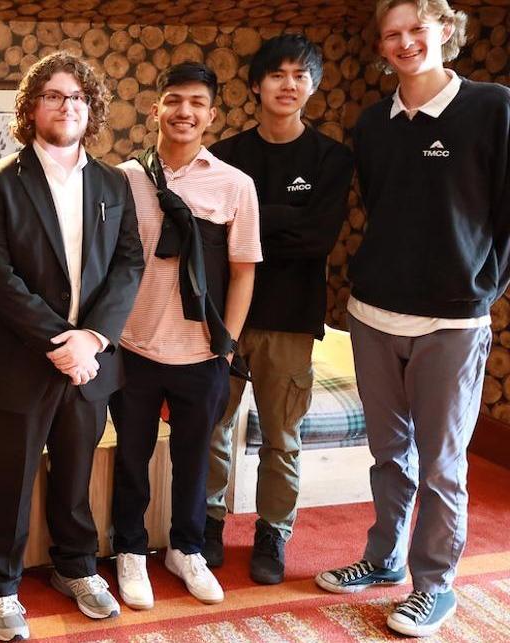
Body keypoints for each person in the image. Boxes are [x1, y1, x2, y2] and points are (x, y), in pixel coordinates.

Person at [315, 1, 510, 637]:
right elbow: (383, 207)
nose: (404, 43)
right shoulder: (373, 124)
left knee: (443, 465)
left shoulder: (492, 108)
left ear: (445, 31)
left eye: (416, 30)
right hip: (372, 315)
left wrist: (482, 284)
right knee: (387, 455)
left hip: (452, 324)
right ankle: (382, 558)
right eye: (392, 34)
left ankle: (435, 587)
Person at [0, 51, 144, 641]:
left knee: (76, 472)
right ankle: (0, 583)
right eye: (53, 96)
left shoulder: (114, 182)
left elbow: (127, 264)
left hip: (91, 363)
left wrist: (92, 339)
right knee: (11, 477)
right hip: (21, 360)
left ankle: (76, 567)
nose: (66, 106)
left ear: (89, 109)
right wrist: (58, 341)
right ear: (32, 107)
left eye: (76, 98)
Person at [202, 34, 354, 584]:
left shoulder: (331, 158)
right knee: (213, 427)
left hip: (291, 318)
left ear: (312, 85)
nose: (289, 85)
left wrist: (253, 218)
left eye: (300, 75)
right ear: (256, 85)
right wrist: (284, 216)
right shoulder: (225, 156)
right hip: (225, 316)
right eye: (277, 74)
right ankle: (208, 521)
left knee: (281, 435)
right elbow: (215, 238)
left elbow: (317, 239)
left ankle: (272, 531)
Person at [112, 62, 262, 609]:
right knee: (131, 457)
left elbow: (244, 269)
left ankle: (186, 549)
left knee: (196, 458)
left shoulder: (234, 185)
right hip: (133, 346)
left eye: (197, 103)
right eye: (174, 100)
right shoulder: (123, 179)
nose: (185, 112)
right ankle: (129, 551)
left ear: (212, 115)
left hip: (203, 350)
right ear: (155, 109)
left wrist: (227, 348)